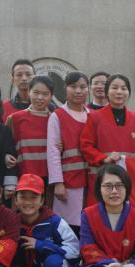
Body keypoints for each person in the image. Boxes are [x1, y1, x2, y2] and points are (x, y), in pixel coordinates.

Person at [80, 73, 135, 207]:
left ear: (129, 93)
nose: (119, 92)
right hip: (102, 179)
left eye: (124, 88)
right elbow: (85, 145)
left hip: (128, 181)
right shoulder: (95, 117)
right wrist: (103, 158)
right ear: (107, 92)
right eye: (114, 88)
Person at [47, 72, 90, 232]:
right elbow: (52, 152)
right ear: (65, 88)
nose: (78, 91)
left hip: (91, 180)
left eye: (82, 87)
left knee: (89, 225)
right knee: (68, 228)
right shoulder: (57, 116)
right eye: (73, 86)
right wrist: (58, 182)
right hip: (68, 181)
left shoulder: (93, 115)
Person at [7, 75, 54, 201]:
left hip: (49, 179)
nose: (40, 97)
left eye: (45, 94)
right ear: (29, 92)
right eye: (36, 93)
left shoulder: (55, 119)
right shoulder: (15, 118)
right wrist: (6, 156)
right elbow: (6, 146)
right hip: (22, 177)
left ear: (51, 96)